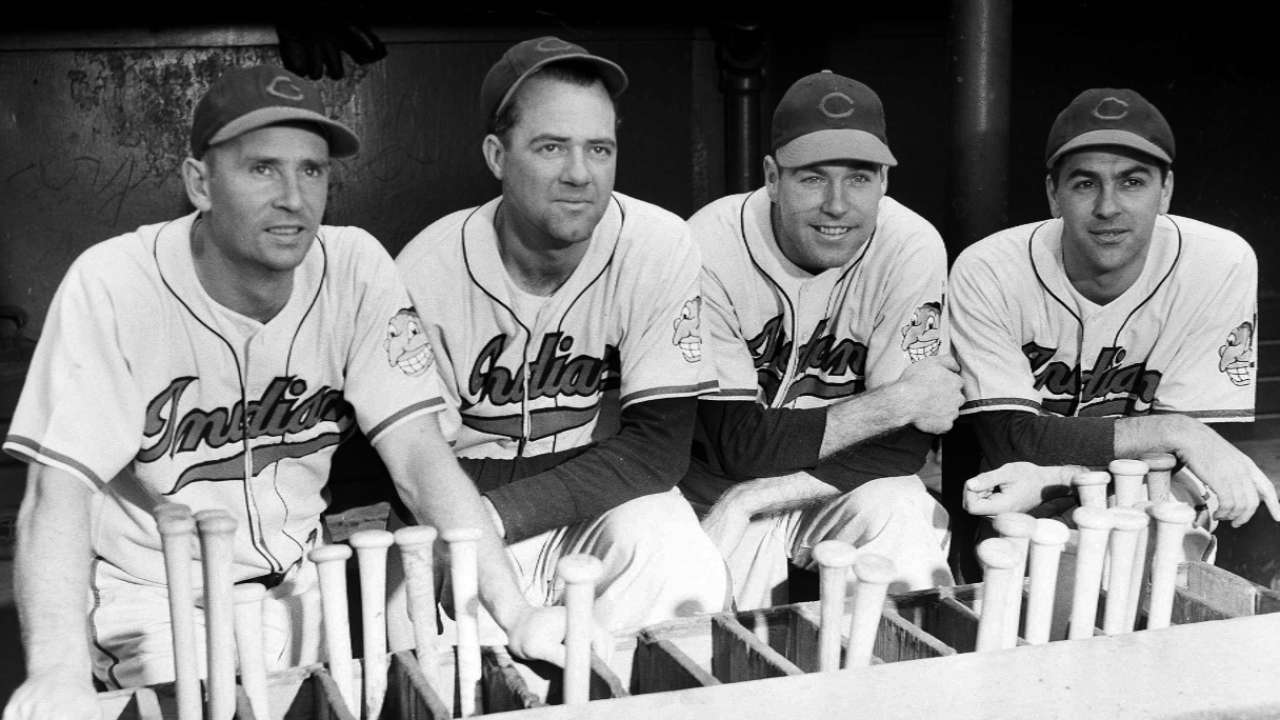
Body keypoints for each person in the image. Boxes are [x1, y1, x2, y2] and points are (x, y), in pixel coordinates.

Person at [1, 64, 574, 720]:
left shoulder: (355, 268)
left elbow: (421, 458)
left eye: (312, 171)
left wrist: (515, 609)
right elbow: (57, 491)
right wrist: (56, 669)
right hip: (158, 605)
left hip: (302, 592)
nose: (294, 198)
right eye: (262, 168)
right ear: (200, 183)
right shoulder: (113, 285)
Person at [393, 37, 728, 638]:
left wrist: (499, 509)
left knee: (681, 557)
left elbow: (658, 452)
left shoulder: (656, 243)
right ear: (497, 155)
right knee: (430, 639)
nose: (580, 174)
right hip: (462, 518)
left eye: (599, 149)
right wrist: (475, 517)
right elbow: (420, 467)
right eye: (551, 147)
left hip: (581, 510)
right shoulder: (425, 270)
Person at [679, 70, 962, 609]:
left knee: (902, 506)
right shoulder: (707, 244)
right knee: (721, 648)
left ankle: (912, 684)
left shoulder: (909, 245)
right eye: (812, 177)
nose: (837, 204)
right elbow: (734, 444)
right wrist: (899, 400)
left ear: (884, 181)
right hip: (708, 492)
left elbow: (906, 444)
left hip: (821, 487)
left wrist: (758, 494)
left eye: (858, 177)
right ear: (771, 177)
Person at [951, 88, 1278, 532]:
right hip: (1014, 497)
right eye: (1085, 183)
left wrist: (1073, 476)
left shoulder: (1218, 261)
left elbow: (1200, 459)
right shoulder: (990, 268)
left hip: (1145, 492)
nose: (1108, 207)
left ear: (1166, 191)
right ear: (1053, 193)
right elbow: (1011, 439)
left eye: (1132, 182)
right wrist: (1175, 430)